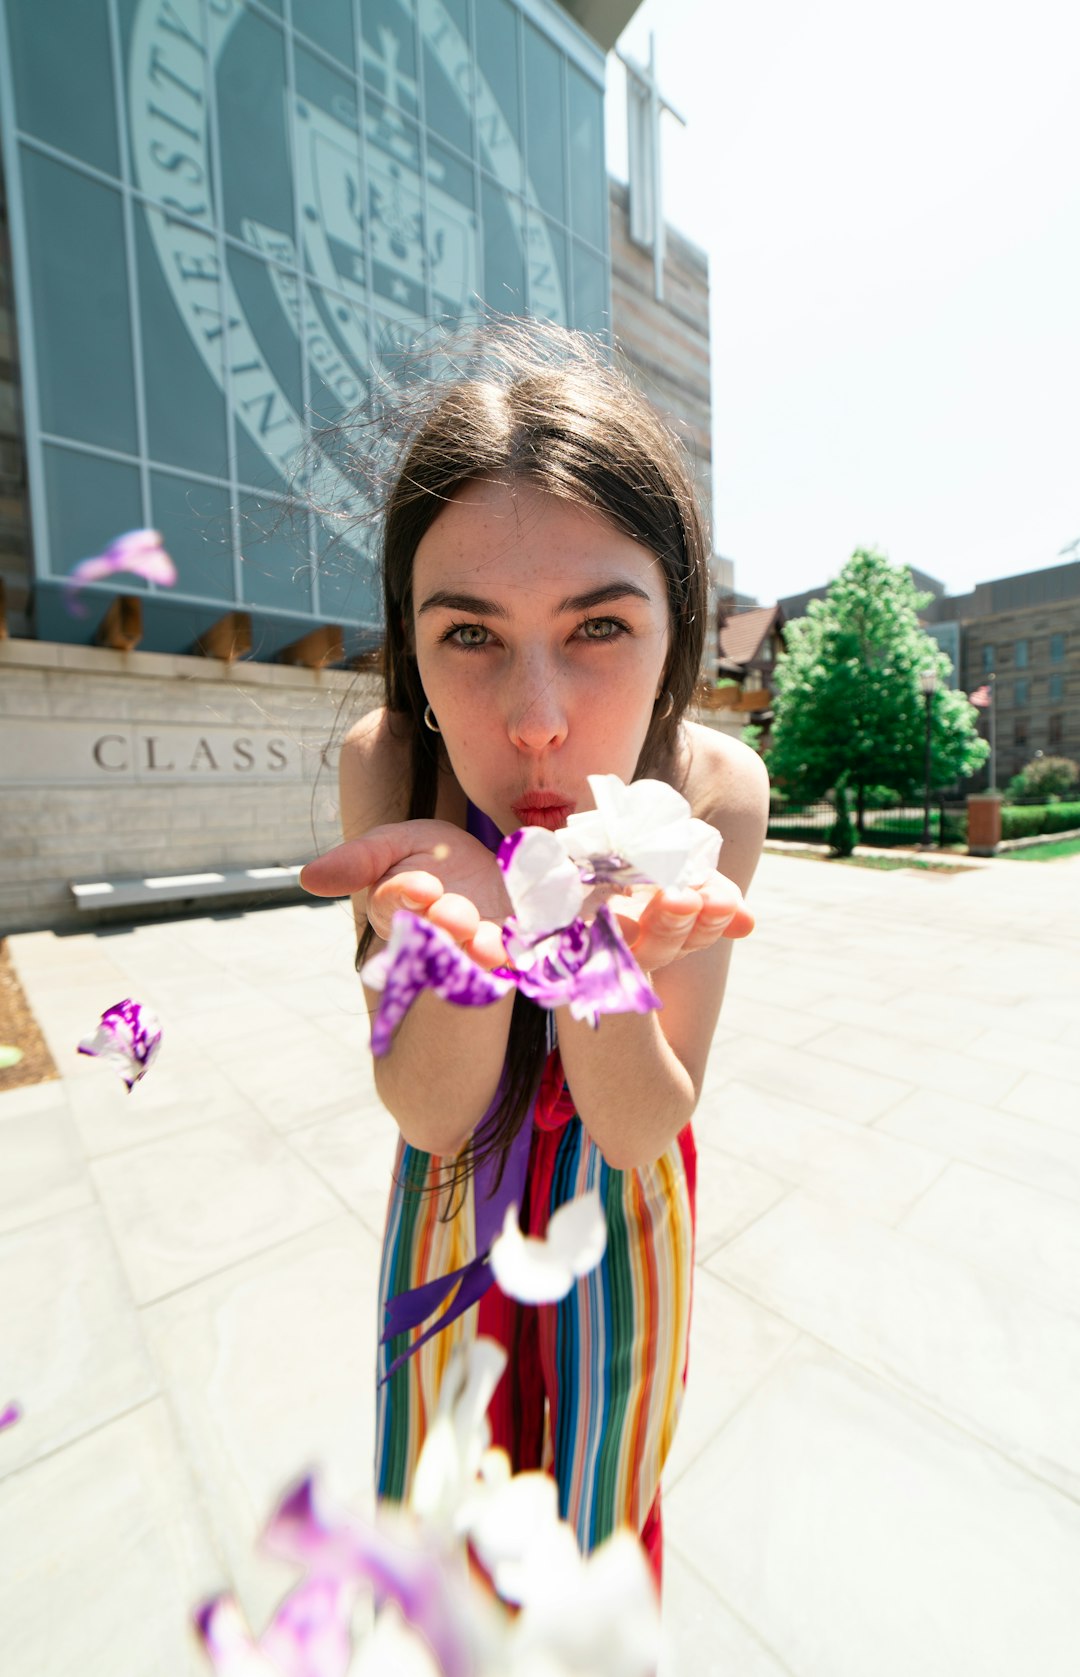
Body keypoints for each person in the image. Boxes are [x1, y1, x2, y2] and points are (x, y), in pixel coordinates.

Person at [300, 323, 768, 1587]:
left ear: (680, 623)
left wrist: (587, 962)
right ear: (412, 639)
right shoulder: (389, 762)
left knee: (598, 1521)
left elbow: (638, 1125)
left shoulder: (713, 787)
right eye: (470, 635)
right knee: (441, 1507)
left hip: (626, 1207)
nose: (537, 721)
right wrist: (456, 925)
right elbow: (430, 1105)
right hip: (451, 1191)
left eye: (601, 626)